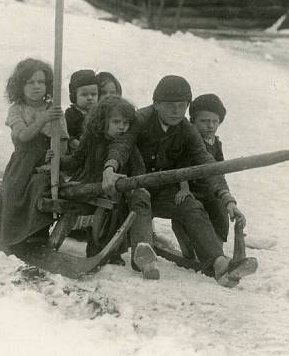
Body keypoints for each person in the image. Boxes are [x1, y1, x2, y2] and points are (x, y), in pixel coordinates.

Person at [101, 75, 247, 287]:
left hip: (164, 191)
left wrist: (227, 198)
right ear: (156, 104)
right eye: (170, 106)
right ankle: (144, 255)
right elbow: (122, 145)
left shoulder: (186, 128)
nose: (176, 111)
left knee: (191, 205)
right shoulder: (140, 119)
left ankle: (218, 262)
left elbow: (206, 163)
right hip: (132, 187)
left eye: (182, 106)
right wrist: (110, 168)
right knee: (140, 200)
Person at [56, 96, 152, 271]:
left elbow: (139, 169)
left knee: (114, 210)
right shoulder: (91, 139)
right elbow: (76, 160)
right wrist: (58, 162)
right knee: (92, 205)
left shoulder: (126, 145)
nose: (122, 127)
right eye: (116, 122)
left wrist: (135, 187)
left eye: (126, 122)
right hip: (89, 185)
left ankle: (107, 251)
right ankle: (94, 249)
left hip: (116, 189)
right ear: (102, 121)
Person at [0, 58, 68, 252]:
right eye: (30, 82)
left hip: (47, 163)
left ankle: (36, 234)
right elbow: (24, 136)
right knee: (13, 191)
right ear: (20, 85)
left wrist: (56, 155)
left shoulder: (53, 109)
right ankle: (13, 236)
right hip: (22, 162)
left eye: (41, 82)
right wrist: (43, 119)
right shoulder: (16, 110)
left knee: (40, 187)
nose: (37, 86)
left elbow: (63, 140)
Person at [172, 93, 230, 260]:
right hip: (192, 189)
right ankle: (189, 246)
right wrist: (184, 188)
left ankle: (216, 249)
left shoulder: (216, 143)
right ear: (193, 121)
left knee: (220, 213)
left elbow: (220, 166)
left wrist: (221, 190)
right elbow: (181, 165)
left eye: (214, 122)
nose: (210, 126)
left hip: (209, 190)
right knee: (192, 212)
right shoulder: (190, 140)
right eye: (204, 121)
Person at [65, 69, 99, 152]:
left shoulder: (99, 112)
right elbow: (68, 135)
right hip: (77, 150)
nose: (90, 98)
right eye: (84, 94)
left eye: (93, 94)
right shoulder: (71, 113)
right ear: (74, 96)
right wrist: (77, 145)